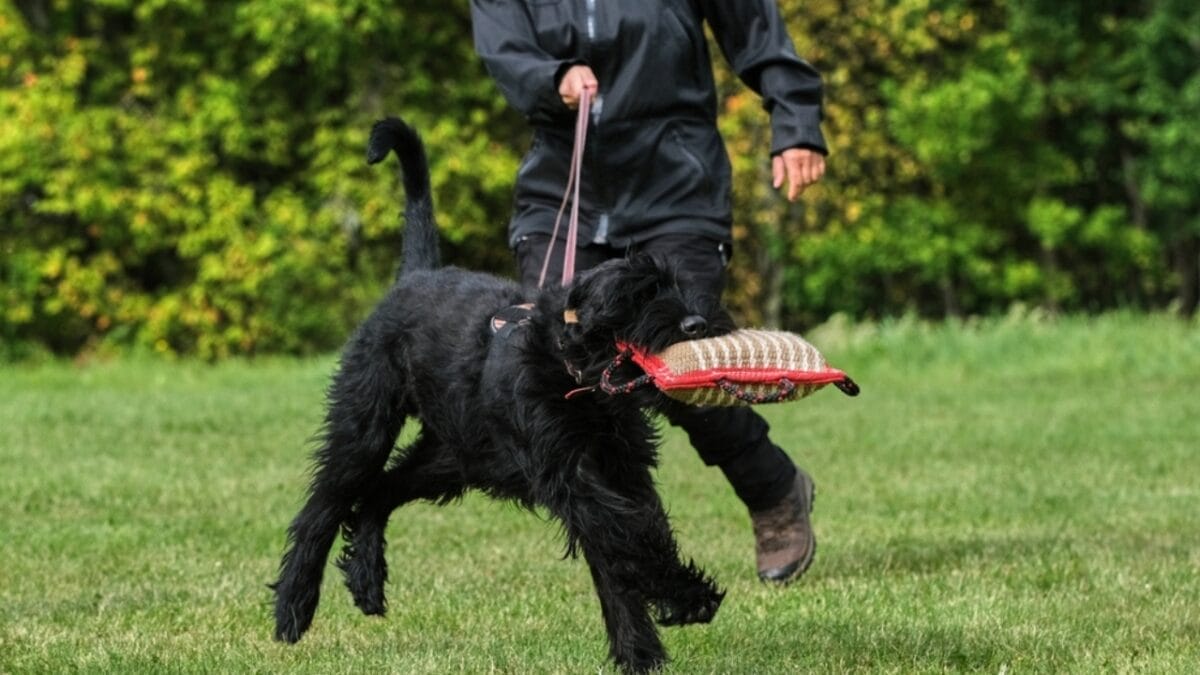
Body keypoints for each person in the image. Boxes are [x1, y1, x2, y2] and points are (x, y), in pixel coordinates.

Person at [470, 0, 828, 583]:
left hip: (676, 192)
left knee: (681, 369)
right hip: (563, 195)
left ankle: (774, 489)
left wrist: (797, 124)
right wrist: (550, 78)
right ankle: (630, 553)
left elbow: (757, 29)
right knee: (555, 376)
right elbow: (505, 51)